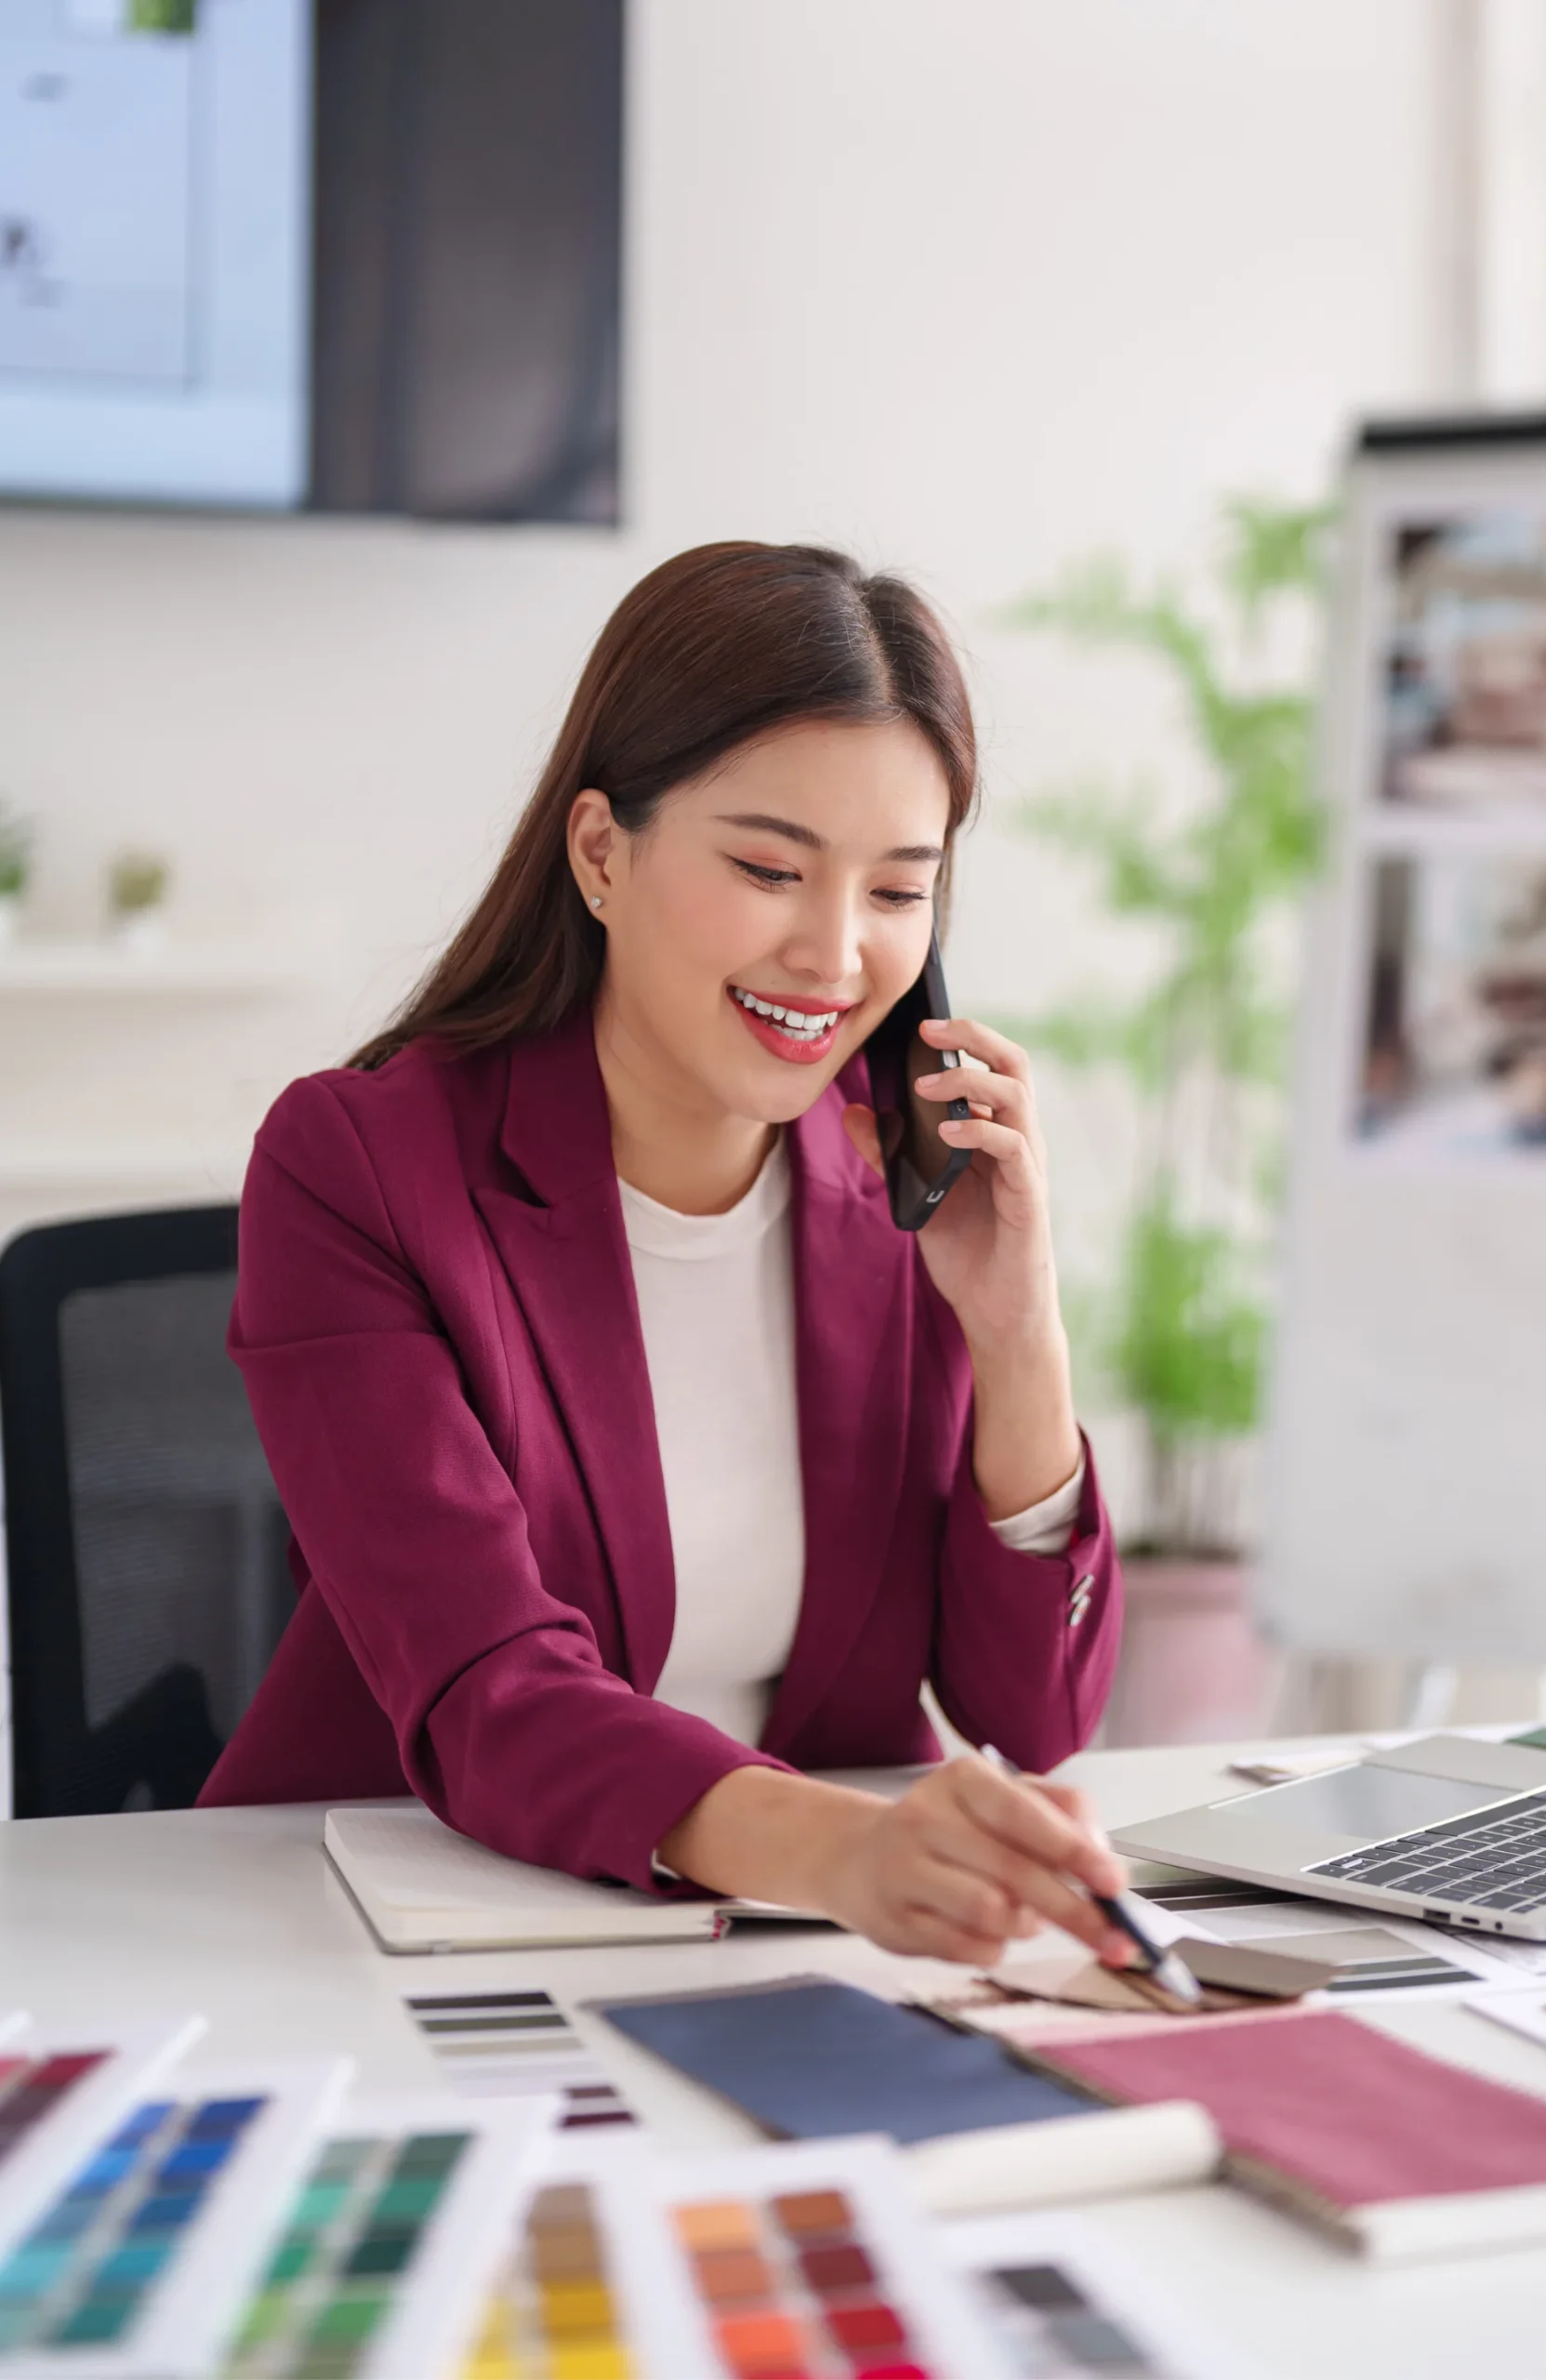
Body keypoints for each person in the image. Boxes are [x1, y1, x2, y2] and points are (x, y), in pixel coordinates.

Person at [201, 541, 1131, 1971]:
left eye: (899, 893)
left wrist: (1018, 1331)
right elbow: (492, 1688)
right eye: (769, 868)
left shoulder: (909, 1189)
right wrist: (844, 1853)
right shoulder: (362, 1167)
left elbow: (1037, 1720)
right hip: (386, 1937)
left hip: (782, 1950)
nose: (834, 955)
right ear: (600, 852)